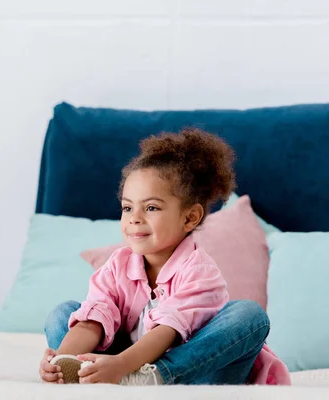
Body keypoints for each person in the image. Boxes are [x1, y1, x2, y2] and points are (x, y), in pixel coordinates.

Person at [38, 128, 290, 386]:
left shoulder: (199, 271)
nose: (135, 217)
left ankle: (150, 377)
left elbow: (168, 330)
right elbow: (94, 320)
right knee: (63, 313)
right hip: (121, 366)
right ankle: (89, 372)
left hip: (197, 374)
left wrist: (123, 366)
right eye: (127, 207)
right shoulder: (116, 266)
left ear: (190, 217)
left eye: (151, 207)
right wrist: (61, 357)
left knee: (250, 316)